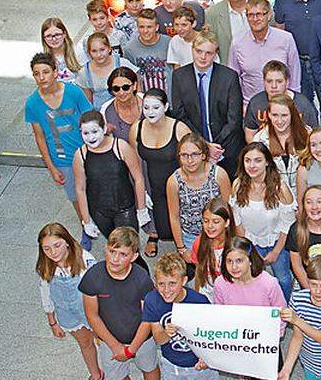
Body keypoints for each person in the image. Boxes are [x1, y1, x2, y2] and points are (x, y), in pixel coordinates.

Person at [213, 238, 306, 380]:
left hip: (267, 345)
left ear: (250, 259)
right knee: (255, 377)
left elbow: (281, 313)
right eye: (229, 261)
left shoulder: (268, 283)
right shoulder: (220, 284)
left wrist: (274, 338)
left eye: (239, 260)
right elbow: (220, 312)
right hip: (242, 345)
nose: (234, 266)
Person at [78, 227, 163, 380]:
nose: (115, 259)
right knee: (113, 377)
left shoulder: (141, 279)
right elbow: (92, 315)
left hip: (141, 339)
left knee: (149, 367)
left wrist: (131, 348)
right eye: (112, 251)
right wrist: (115, 345)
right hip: (111, 340)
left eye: (123, 254)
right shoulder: (93, 276)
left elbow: (148, 317)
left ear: (133, 256)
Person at [142, 253, 219, 380]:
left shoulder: (199, 301)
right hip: (171, 362)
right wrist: (166, 333)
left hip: (199, 361)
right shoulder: (152, 300)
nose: (166, 290)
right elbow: (158, 339)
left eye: (172, 283)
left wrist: (207, 357)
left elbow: (211, 334)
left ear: (184, 281)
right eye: (161, 284)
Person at [35, 224, 103, 380]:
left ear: (67, 242)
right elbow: (45, 292)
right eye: (47, 248)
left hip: (92, 312)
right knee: (85, 343)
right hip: (68, 314)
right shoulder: (45, 267)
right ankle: (96, 376)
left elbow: (100, 288)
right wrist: (52, 321)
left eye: (57, 245)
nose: (52, 252)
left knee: (104, 343)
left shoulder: (85, 260)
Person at [26, 53, 93, 226]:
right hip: (62, 159)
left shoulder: (73, 91)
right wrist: (51, 167)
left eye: (45, 72)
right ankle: (85, 225)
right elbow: (40, 137)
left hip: (87, 152)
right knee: (75, 195)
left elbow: (90, 118)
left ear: (55, 72)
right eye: (36, 73)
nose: (41, 77)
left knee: (97, 189)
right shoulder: (32, 103)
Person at [169, 33, 245, 176]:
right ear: (192, 50)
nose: (203, 57)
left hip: (226, 148)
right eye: (199, 51)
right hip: (194, 150)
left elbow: (234, 118)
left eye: (208, 53)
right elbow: (180, 115)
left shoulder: (229, 76)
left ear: (215, 54)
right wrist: (204, 145)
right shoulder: (179, 76)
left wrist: (214, 147)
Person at [74, 111, 149, 253]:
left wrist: (141, 208)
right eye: (86, 133)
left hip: (125, 208)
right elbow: (80, 189)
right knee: (115, 248)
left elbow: (138, 178)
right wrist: (86, 220)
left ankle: (140, 274)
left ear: (104, 129)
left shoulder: (121, 147)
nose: (91, 137)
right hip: (99, 212)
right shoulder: (80, 155)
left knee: (129, 251)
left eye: (94, 131)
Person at [232, 142, 298, 299]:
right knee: (251, 279)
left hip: (277, 242)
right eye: (247, 160)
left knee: (283, 279)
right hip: (250, 242)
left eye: (257, 160)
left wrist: (275, 252)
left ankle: (284, 309)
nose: (252, 165)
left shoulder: (280, 188)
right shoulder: (238, 185)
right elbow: (237, 221)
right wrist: (249, 249)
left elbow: (288, 224)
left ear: (267, 161)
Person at [130, 89, 189, 255]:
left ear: (166, 106)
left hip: (180, 188)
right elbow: (136, 164)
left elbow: (194, 159)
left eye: (156, 107)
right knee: (165, 228)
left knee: (185, 228)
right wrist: (142, 192)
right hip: (155, 188)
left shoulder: (179, 128)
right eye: (146, 108)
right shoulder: (136, 128)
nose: (150, 112)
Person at [166, 132, 232, 261]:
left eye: (194, 154)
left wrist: (230, 237)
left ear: (203, 155)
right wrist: (181, 248)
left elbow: (230, 208)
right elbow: (174, 217)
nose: (190, 160)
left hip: (219, 235)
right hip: (191, 236)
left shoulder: (219, 175)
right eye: (184, 155)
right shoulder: (174, 182)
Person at [228, 0, 302, 102]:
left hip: (282, 105)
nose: (255, 19)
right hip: (251, 106)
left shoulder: (286, 39)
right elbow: (233, 79)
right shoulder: (237, 43)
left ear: (269, 15)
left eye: (259, 14)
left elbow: (294, 74)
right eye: (250, 15)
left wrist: (293, 102)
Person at [243, 61, 318, 141]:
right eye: (269, 81)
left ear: (287, 82)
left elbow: (313, 133)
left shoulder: (302, 104)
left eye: (279, 81)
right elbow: (250, 135)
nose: (274, 86)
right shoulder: (256, 103)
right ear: (264, 82)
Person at [253, 94, 310, 193]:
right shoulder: (259, 139)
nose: (279, 121)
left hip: (304, 197)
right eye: (275, 115)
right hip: (274, 198)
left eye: (284, 115)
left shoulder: (307, 134)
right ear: (269, 115)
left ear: (292, 115)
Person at [40, 18, 82, 83]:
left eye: (57, 35)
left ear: (64, 34)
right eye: (48, 36)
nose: (54, 39)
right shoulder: (43, 59)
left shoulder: (78, 52)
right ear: (44, 38)